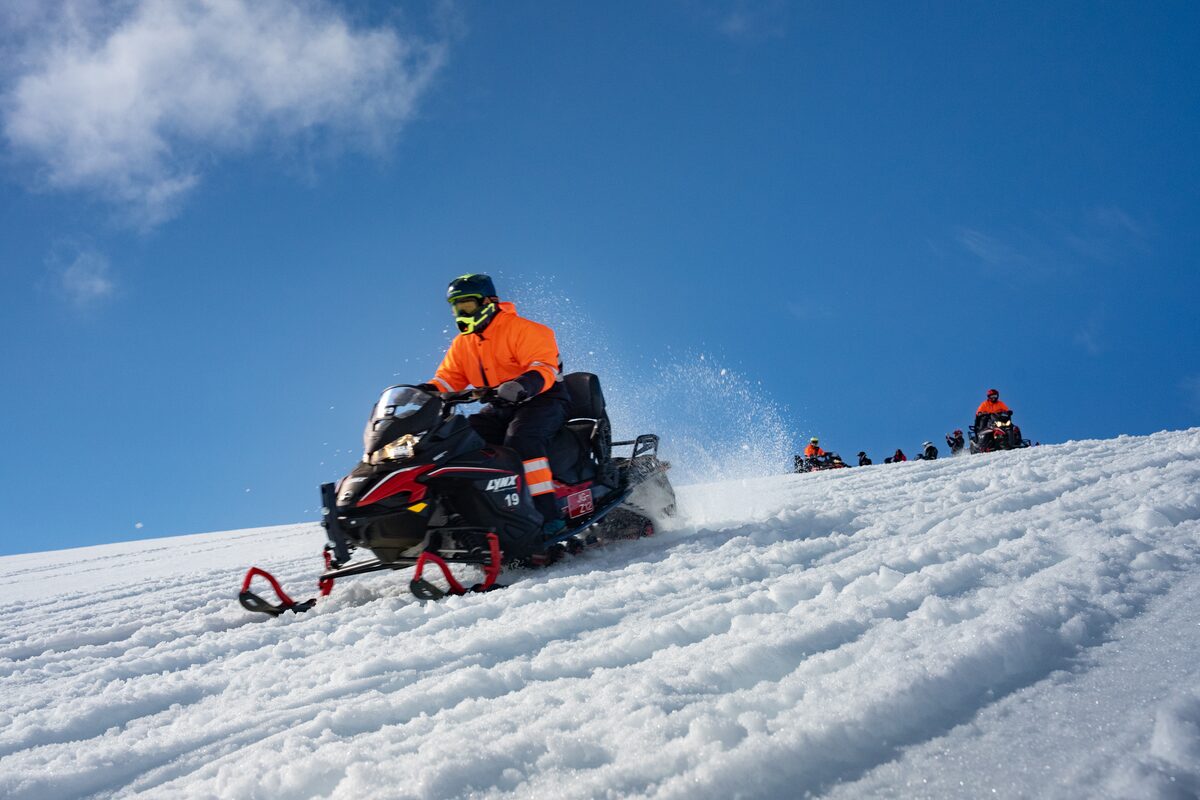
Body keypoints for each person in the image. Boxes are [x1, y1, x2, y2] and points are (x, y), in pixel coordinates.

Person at [425, 274, 571, 535]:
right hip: (501, 406)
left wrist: (523, 384)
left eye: (467, 306)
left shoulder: (523, 329)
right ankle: (470, 513)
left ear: (489, 302)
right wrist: (424, 394)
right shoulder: (463, 344)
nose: (461, 314)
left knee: (522, 439)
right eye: (456, 308)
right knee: (459, 439)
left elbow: (543, 366)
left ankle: (547, 517)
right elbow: (448, 380)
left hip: (543, 400)